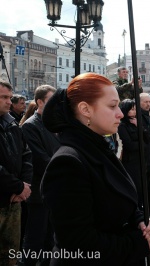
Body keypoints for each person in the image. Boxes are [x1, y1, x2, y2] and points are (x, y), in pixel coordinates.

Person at [41, 73, 150, 265]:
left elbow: (119, 199)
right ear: (85, 109)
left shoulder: (98, 148)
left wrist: (141, 220)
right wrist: (139, 243)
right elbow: (79, 244)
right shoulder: (68, 163)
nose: (120, 113)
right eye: (112, 106)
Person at [20, 85, 60, 266]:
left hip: (53, 189)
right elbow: (40, 158)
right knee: (35, 238)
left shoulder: (53, 123)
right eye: (51, 101)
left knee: (50, 239)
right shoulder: (30, 126)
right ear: (40, 102)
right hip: (38, 191)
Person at [0, 81, 32, 266]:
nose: (8, 102)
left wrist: (24, 186)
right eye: (4, 97)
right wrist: (18, 186)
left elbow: (26, 155)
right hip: (6, 195)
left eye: (9, 98)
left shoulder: (12, 125)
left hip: (15, 201)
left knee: (11, 254)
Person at [118, 99, 143, 210]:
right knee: (134, 186)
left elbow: (147, 139)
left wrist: (139, 127)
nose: (134, 112)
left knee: (141, 186)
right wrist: (141, 144)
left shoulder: (135, 122)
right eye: (132, 109)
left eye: (135, 109)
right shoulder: (122, 125)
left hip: (140, 160)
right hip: (130, 161)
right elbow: (129, 144)